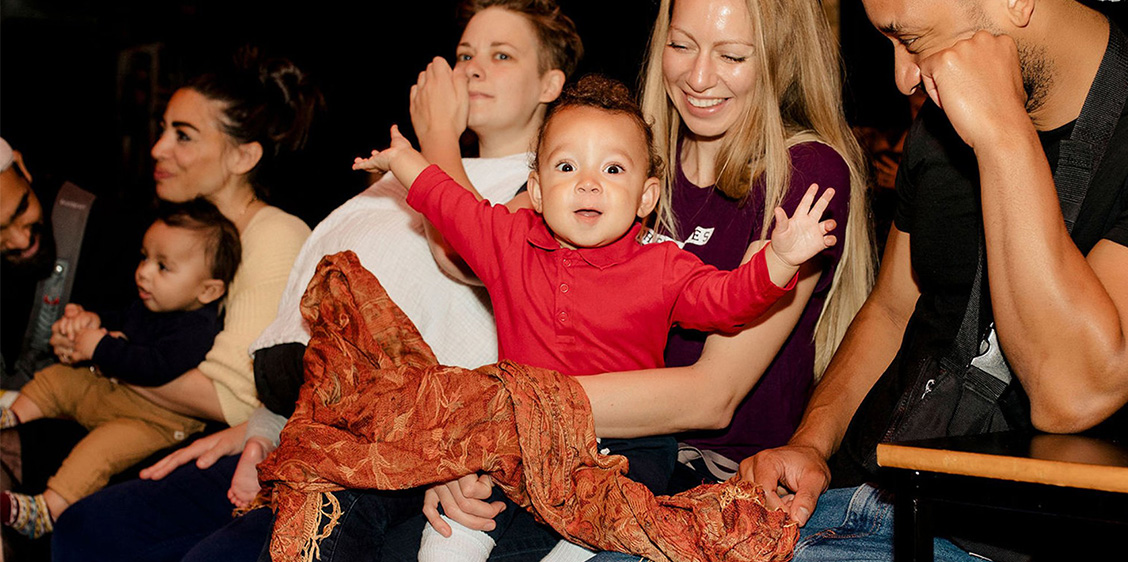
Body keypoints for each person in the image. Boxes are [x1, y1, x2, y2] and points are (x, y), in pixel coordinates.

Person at [53, 2, 583, 561]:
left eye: (501, 56)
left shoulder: (546, 188)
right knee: (95, 529)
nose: (472, 70)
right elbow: (314, 307)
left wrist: (437, 139)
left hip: (388, 455)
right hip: (296, 424)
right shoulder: (399, 176)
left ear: (551, 82)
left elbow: (470, 254)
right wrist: (262, 421)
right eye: (464, 55)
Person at [428, 4, 872, 561]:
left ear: (781, 61)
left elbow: (712, 397)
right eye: (682, 45)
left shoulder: (806, 171)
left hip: (706, 478)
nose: (700, 77)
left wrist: (498, 417)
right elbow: (470, 251)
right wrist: (478, 454)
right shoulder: (616, 151)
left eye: (732, 55)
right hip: (567, 449)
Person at [351, 73, 836, 561]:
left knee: (594, 542)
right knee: (451, 533)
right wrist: (402, 160)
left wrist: (781, 260)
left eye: (612, 170)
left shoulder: (662, 265)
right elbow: (451, 205)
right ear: (537, 191)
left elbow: (727, 300)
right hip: (514, 441)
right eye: (567, 166)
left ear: (646, 198)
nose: (588, 183)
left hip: (625, 450)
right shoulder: (508, 242)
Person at [737, 0, 1128, 560]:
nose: (904, 79)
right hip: (858, 494)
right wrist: (810, 446)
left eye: (913, 41)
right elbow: (894, 307)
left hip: (991, 535)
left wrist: (1003, 134)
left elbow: (1074, 392)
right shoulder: (938, 120)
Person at [50, 49, 318, 560]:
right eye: (163, 129)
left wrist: (100, 352)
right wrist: (87, 332)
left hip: (227, 442)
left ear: (243, 157)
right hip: (147, 415)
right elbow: (140, 335)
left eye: (183, 135)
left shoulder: (274, 234)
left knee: (87, 525)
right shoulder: (180, 228)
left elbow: (232, 400)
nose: (157, 148)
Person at [0, 199, 240, 538]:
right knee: (56, 379)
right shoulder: (152, 300)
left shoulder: (196, 329)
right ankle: (12, 418)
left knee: (98, 452)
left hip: (153, 421)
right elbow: (123, 320)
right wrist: (92, 320)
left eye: (162, 266)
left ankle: (47, 510)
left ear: (208, 290)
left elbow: (156, 367)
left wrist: (98, 346)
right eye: (144, 257)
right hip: (113, 391)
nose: (143, 271)